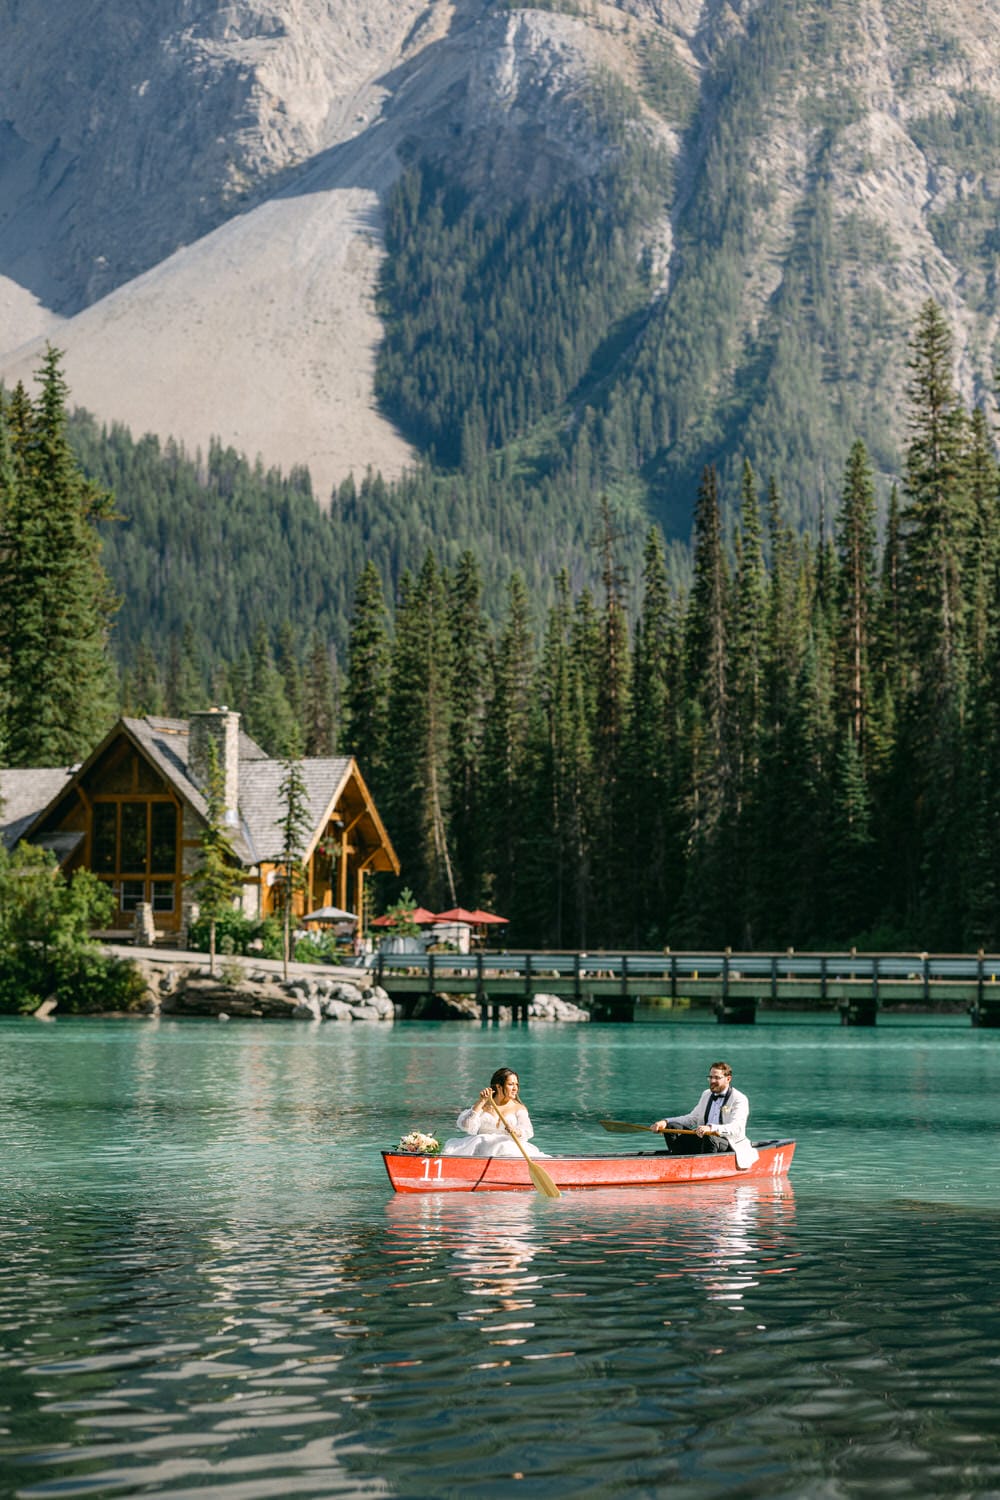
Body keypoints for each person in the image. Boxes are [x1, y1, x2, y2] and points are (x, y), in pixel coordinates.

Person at [650, 1060, 758, 1167]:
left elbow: (736, 1128)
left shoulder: (739, 1099)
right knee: (672, 1126)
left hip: (729, 1143)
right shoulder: (706, 1094)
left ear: (728, 1079)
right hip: (704, 1139)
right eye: (710, 1077)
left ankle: (705, 1169)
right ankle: (678, 1163)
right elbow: (692, 1118)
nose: (712, 1081)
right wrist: (665, 1122)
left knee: (709, 1137)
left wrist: (711, 1128)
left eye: (717, 1078)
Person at [441, 1067, 549, 1159]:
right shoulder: (484, 1105)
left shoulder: (518, 1108)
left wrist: (516, 1131)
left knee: (504, 1146)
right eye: (511, 1084)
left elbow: (528, 1131)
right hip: (480, 1145)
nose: (515, 1088)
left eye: (516, 1084)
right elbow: (466, 1126)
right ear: (498, 1086)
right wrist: (481, 1102)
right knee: (482, 1140)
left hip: (509, 1148)